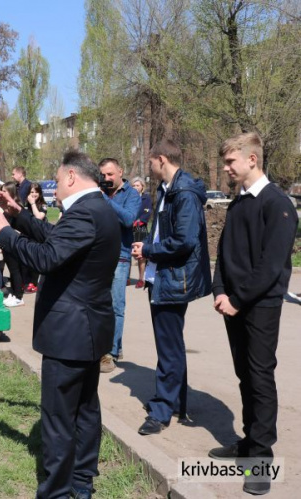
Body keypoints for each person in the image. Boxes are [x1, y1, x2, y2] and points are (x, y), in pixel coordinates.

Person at [0, 151, 120, 498]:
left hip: (69, 332)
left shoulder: (85, 213)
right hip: (87, 328)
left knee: (59, 417)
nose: (55, 187)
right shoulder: (97, 209)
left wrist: (4, 232)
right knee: (86, 410)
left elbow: (46, 257)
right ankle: (82, 482)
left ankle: (58, 491)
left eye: (57, 180)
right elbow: (55, 237)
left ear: (71, 177)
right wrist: (18, 213)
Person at [209, 132, 297, 496]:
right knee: (245, 374)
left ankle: (261, 459)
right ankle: (248, 442)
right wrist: (219, 291)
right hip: (234, 304)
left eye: (231, 162)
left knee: (260, 378)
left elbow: (271, 265)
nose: (226, 169)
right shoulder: (238, 203)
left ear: (252, 160)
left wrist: (238, 298)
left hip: (259, 305)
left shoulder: (277, 204)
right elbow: (225, 254)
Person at [131, 139, 212, 436]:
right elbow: (167, 233)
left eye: (150, 162)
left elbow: (184, 240)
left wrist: (150, 251)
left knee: (168, 347)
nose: (149, 167)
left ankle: (161, 411)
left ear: (162, 159)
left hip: (174, 279)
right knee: (172, 344)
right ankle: (178, 402)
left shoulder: (184, 193)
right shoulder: (167, 190)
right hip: (164, 276)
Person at [98, 158, 141, 373]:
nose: (106, 179)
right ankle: (114, 346)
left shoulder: (131, 194)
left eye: (110, 175)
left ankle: (110, 354)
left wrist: (105, 199)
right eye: (103, 175)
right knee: (100, 304)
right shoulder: (99, 193)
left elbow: (128, 219)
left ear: (120, 172)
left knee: (116, 305)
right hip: (99, 255)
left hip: (121, 256)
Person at [0, 181, 25, 307]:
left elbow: (21, 226)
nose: (2, 193)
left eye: (4, 191)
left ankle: (19, 296)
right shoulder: (7, 206)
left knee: (15, 270)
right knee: (11, 269)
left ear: (10, 192)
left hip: (15, 242)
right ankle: (14, 293)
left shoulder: (17, 206)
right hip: (7, 242)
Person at [21, 183, 48, 294]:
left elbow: (38, 217)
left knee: (35, 259)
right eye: (32, 192)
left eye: (36, 192)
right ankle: (26, 282)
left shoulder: (43, 205)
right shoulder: (25, 204)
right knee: (25, 260)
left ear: (40, 193)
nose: (34, 194)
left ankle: (34, 283)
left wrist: (33, 204)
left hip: (38, 237)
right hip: (27, 235)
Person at [130, 177, 153, 288]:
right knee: (127, 253)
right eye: (133, 185)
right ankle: (126, 278)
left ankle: (141, 279)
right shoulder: (129, 197)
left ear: (142, 187)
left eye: (137, 185)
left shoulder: (146, 198)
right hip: (128, 227)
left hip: (140, 229)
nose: (135, 188)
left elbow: (147, 211)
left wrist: (140, 220)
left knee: (141, 255)